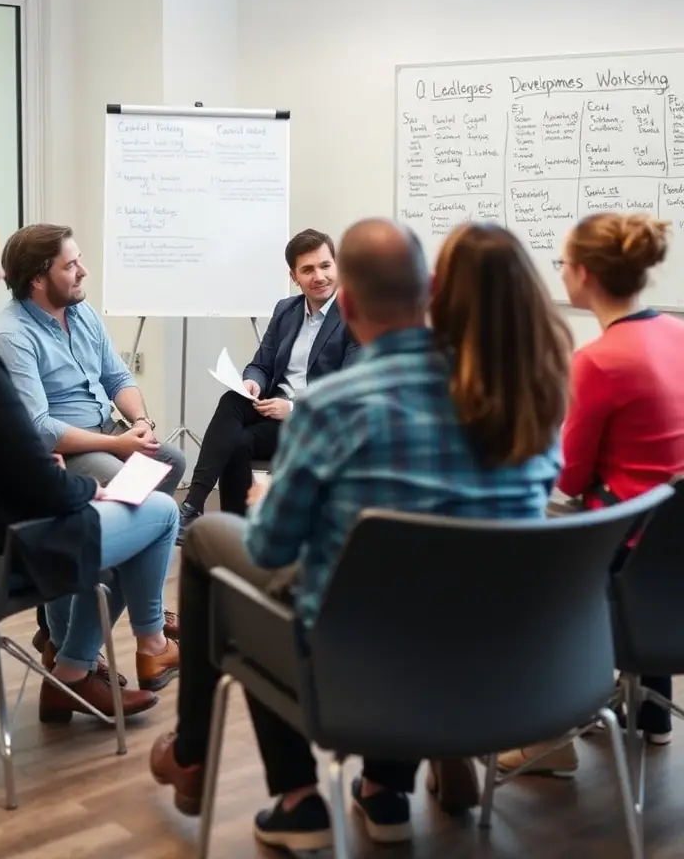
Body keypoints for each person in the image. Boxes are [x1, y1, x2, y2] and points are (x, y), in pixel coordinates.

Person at [149, 219, 571, 850]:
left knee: (218, 545)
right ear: (429, 292)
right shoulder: (524, 398)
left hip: (356, 666)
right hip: (502, 662)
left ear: (346, 303)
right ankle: (384, 787)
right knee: (417, 580)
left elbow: (269, 552)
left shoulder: (333, 407)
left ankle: (288, 795)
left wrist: (267, 504)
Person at [0, 212, 180, 719]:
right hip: (9, 549)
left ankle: (85, 659)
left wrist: (39, 466)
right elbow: (42, 486)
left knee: (136, 500)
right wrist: (85, 489)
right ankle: (82, 667)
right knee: (158, 513)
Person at [498, 212, 684, 776]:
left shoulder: (598, 361)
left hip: (624, 557)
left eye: (563, 263)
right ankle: (651, 713)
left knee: (527, 569)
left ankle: (551, 736)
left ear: (583, 274)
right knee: (653, 518)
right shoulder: (676, 333)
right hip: (670, 565)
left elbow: (570, 478)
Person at [0, 224, 184, 664]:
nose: (83, 271)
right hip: (67, 452)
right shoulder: (12, 333)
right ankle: (101, 637)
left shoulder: (82, 312)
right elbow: (39, 427)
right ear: (38, 278)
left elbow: (118, 378)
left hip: (108, 432)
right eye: (71, 265)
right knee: (137, 500)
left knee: (171, 460)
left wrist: (140, 423)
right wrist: (117, 447)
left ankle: (118, 601)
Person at [176, 228, 359, 539]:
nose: (319, 276)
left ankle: (225, 524)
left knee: (238, 442)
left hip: (315, 422)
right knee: (233, 400)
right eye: (307, 270)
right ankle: (198, 506)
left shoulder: (355, 314)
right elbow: (261, 363)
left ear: (337, 265)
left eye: (325, 266)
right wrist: (253, 382)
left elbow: (348, 388)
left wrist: (293, 408)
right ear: (294, 276)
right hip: (271, 408)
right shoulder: (286, 310)